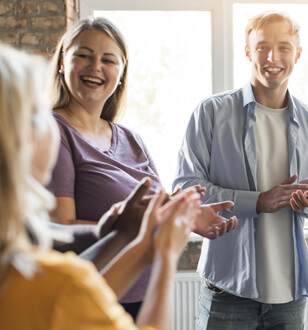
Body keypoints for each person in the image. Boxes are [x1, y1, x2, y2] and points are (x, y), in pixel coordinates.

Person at [46, 17, 237, 318]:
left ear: (120, 74)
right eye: (83, 55)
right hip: (92, 296)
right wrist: (124, 227)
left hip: (142, 296)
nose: (95, 66)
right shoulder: (52, 132)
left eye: (108, 60)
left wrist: (186, 215)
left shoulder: (131, 139)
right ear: (61, 62)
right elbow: (57, 230)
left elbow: (153, 213)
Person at [0, 43, 199, 330]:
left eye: (108, 60)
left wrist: (134, 238)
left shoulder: (48, 282)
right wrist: (166, 255)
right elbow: (70, 296)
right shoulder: (48, 279)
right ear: (18, 140)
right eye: (39, 112)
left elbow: (76, 302)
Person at [174, 10, 308, 329]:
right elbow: (187, 188)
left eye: (284, 47)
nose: (273, 57)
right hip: (228, 289)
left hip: (289, 295)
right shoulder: (211, 112)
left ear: (298, 54)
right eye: (262, 46)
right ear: (248, 51)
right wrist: (258, 201)